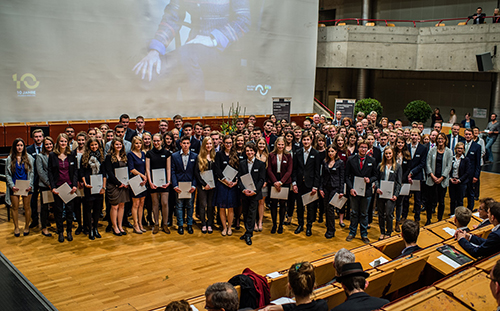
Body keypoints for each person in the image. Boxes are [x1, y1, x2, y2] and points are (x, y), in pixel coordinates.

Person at [133, 0, 251, 101]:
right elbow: (172, 19)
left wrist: (213, 38)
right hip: (191, 49)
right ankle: (169, 119)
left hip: (224, 54)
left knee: (187, 57)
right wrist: (155, 51)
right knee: (153, 67)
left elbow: (244, 20)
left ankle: (195, 116)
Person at [345, 140, 377, 244]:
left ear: (367, 149)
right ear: (358, 148)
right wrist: (350, 188)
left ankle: (364, 234)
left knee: (364, 213)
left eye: (365, 147)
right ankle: (352, 232)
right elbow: (347, 176)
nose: (363, 149)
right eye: (361, 147)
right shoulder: (351, 159)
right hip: (354, 190)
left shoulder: (372, 160)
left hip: (366, 191)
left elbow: (375, 176)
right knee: (354, 213)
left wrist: (370, 180)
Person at [48, 134, 78, 242]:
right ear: (57, 142)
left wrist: (74, 185)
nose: (63, 143)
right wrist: (53, 187)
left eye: (65, 141)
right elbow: (50, 172)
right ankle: (60, 232)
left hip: (69, 187)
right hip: (58, 188)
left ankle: (69, 231)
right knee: (58, 211)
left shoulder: (71, 154)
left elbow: (75, 171)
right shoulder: (52, 155)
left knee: (70, 210)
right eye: (61, 141)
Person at [292, 131, 321, 237]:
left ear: (311, 140)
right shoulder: (297, 152)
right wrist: (294, 183)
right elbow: (294, 169)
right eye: (304, 139)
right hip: (299, 184)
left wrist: (315, 186)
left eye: (308, 139)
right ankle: (300, 224)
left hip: (310, 184)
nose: (306, 141)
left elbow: (317, 171)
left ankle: (309, 226)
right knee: (299, 206)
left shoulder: (316, 153)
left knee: (311, 207)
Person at [5, 138, 35, 237]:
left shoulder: (29, 158)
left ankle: (27, 226)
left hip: (26, 187)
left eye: (21, 145)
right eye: (17, 145)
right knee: (15, 207)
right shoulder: (9, 158)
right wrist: (11, 186)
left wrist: (30, 185)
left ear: (24, 147)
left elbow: (32, 173)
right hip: (15, 186)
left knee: (27, 207)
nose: (19, 147)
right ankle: (16, 227)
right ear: (14, 147)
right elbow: (7, 175)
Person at [238, 142, 266, 246]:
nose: (249, 152)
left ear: (254, 152)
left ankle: (249, 234)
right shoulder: (242, 163)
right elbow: (240, 178)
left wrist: (254, 191)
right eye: (247, 151)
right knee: (245, 213)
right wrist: (243, 190)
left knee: (252, 213)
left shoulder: (261, 164)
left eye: (251, 150)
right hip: (245, 193)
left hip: (255, 193)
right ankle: (247, 231)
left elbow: (261, 180)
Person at [80, 137, 106, 240]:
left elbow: (104, 173)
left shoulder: (102, 157)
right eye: (92, 145)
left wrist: (103, 187)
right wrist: (85, 183)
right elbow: (82, 171)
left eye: (96, 145)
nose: (94, 147)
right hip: (89, 186)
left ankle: (95, 228)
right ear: (88, 146)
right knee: (88, 208)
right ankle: (89, 228)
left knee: (97, 208)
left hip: (99, 186)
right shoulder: (84, 157)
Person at [146, 133, 172, 234]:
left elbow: (168, 168)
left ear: (161, 141)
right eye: (154, 141)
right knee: (155, 204)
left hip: (164, 182)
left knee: (165, 203)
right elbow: (147, 169)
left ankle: (164, 224)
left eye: (158, 141)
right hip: (153, 183)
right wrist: (150, 182)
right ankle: (156, 224)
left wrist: (168, 181)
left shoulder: (167, 153)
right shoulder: (149, 153)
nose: (156, 143)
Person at [172, 135, 198, 235]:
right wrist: (174, 185)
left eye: (187, 143)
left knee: (190, 206)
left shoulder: (195, 156)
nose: (186, 145)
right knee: (179, 206)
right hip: (179, 186)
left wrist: (194, 185)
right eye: (184, 143)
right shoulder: (175, 156)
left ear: (190, 144)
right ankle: (180, 225)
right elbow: (173, 171)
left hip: (190, 186)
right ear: (180, 144)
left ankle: (190, 225)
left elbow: (196, 173)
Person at [104, 137, 131, 236]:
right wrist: (119, 183)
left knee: (122, 206)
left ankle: (120, 225)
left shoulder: (124, 156)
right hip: (114, 185)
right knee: (114, 206)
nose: (118, 146)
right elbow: (109, 173)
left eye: (120, 144)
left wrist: (126, 183)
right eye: (116, 144)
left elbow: (127, 171)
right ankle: (114, 226)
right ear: (113, 146)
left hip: (124, 185)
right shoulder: (108, 157)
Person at [214, 135, 239, 236]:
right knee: (222, 207)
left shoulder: (235, 154)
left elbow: (238, 169)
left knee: (231, 208)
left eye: (230, 142)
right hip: (222, 184)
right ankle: (224, 227)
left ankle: (229, 227)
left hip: (232, 185)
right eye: (226, 142)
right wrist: (225, 181)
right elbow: (217, 169)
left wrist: (235, 182)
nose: (228, 144)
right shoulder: (219, 154)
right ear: (223, 143)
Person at [267, 137, 293, 234]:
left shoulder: (288, 156)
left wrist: (281, 182)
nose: (281, 146)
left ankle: (281, 225)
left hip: (284, 182)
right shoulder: (271, 155)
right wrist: (275, 182)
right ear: (276, 144)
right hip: (273, 181)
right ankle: (274, 224)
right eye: (279, 144)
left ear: (285, 145)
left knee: (283, 205)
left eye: (282, 145)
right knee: (273, 204)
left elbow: (289, 171)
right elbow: (269, 170)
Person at [425, 133, 452, 224]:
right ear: (436, 140)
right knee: (429, 200)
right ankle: (428, 219)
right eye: (439, 139)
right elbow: (427, 163)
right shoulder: (432, 150)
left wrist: (442, 177)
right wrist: (432, 175)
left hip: (442, 180)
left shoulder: (449, 151)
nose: (440, 140)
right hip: (432, 179)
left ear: (445, 140)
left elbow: (449, 166)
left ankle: (439, 219)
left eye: (442, 139)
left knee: (441, 201)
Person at [375, 147, 402, 240]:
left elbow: (399, 182)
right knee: (381, 213)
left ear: (393, 154)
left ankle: (388, 232)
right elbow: (376, 179)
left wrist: (396, 194)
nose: (388, 155)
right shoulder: (380, 165)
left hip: (391, 194)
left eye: (390, 153)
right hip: (381, 193)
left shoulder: (397, 166)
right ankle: (382, 231)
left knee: (389, 213)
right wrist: (377, 188)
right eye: (386, 153)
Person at [319, 145, 344, 239]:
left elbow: (342, 177)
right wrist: (320, 188)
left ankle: (331, 230)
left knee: (330, 208)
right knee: (326, 208)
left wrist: (341, 191)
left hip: (335, 188)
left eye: (332, 151)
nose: (330, 153)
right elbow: (322, 176)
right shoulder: (325, 162)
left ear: (336, 152)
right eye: (329, 151)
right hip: (326, 187)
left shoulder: (340, 163)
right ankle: (328, 226)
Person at [195, 137, 216, 234]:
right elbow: (196, 173)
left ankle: (210, 223)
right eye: (207, 144)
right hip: (202, 186)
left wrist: (212, 184)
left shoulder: (215, 156)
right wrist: (204, 184)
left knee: (211, 205)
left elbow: (217, 172)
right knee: (203, 205)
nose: (209, 146)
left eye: (210, 144)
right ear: (204, 145)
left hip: (212, 185)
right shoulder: (199, 157)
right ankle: (203, 223)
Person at [128, 136, 148, 234]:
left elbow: (146, 167)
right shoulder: (130, 155)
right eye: (136, 143)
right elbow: (132, 169)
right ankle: (135, 224)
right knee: (135, 204)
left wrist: (146, 177)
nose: (138, 145)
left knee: (141, 204)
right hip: (135, 181)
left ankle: (140, 223)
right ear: (133, 144)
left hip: (143, 182)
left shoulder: (143, 154)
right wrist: (142, 176)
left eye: (140, 143)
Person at [36, 137, 54, 237]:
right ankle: (44, 227)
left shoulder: (55, 154)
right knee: (44, 207)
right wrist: (49, 183)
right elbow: (40, 172)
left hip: (55, 185)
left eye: (50, 144)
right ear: (44, 145)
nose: (49, 146)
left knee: (55, 206)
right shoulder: (40, 156)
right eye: (46, 144)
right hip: (45, 185)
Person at [27, 129, 44, 229]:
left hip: (44, 178)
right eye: (36, 136)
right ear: (33, 138)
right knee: (33, 200)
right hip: (33, 178)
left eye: (40, 136)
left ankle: (44, 219)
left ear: (42, 137)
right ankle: (34, 220)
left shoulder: (47, 147)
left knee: (44, 200)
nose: (38, 138)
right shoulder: (28, 149)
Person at [394, 137, 411, 231]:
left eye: (402, 142)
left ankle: (397, 222)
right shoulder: (392, 153)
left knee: (400, 203)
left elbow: (408, 168)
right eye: (398, 142)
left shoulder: (407, 154)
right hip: (392, 181)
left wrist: (402, 179)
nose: (400, 144)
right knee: (392, 202)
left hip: (403, 181)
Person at [449, 142, 471, 215]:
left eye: (461, 148)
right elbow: (449, 169)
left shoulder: (466, 159)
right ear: (456, 149)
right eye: (458, 148)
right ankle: (452, 214)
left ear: (463, 150)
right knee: (452, 200)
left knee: (460, 200)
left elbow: (467, 172)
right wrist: (450, 178)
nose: (459, 150)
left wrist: (459, 180)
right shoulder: (452, 158)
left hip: (461, 182)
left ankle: (459, 215)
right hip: (452, 181)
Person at [463, 128, 481, 210]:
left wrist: (476, 176)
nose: (468, 136)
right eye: (466, 134)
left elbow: (478, 163)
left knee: (470, 192)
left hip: (471, 174)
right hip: (461, 173)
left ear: (473, 135)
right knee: (460, 192)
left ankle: (470, 209)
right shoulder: (461, 144)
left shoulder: (477, 147)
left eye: (469, 134)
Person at [255, 137, 269, 232]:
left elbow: (269, 170)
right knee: (254, 202)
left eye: (263, 144)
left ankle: (260, 221)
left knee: (261, 202)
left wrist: (266, 181)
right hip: (254, 182)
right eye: (260, 143)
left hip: (264, 183)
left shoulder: (268, 156)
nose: (261, 145)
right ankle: (254, 222)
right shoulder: (252, 154)